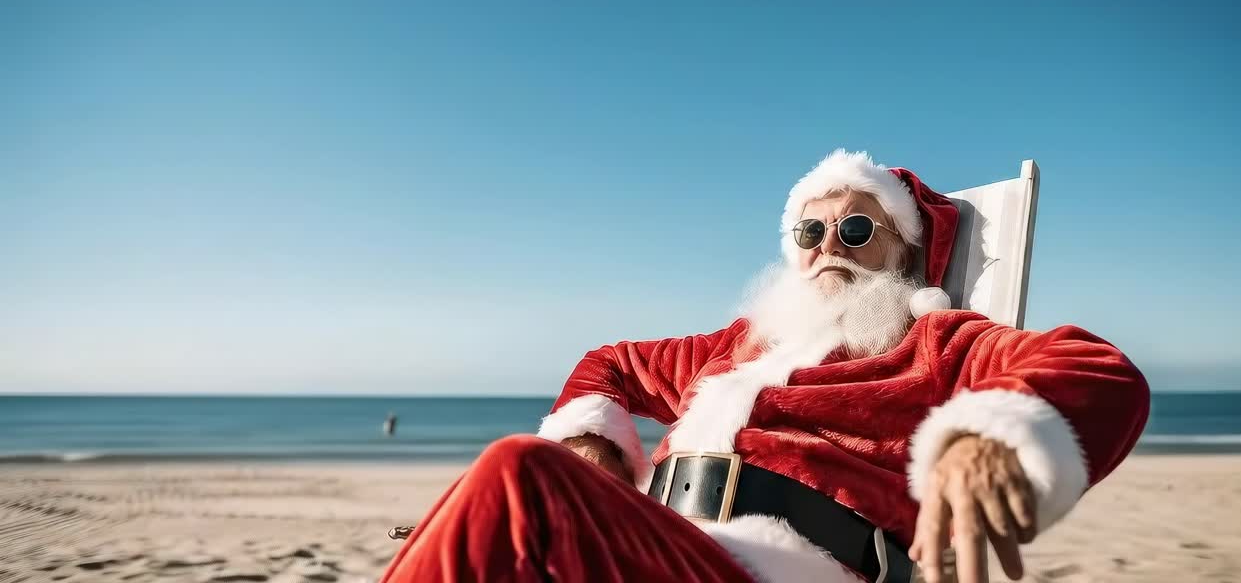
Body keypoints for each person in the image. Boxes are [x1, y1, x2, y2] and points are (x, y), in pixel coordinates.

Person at [381, 150, 1149, 583]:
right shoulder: (734, 350)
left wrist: (988, 443)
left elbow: (1098, 369)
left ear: (907, 256)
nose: (829, 246)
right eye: (812, 228)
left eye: (857, 229)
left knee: (518, 477)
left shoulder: (935, 344)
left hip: (786, 570)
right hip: (664, 549)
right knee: (499, 511)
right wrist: (591, 452)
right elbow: (608, 364)